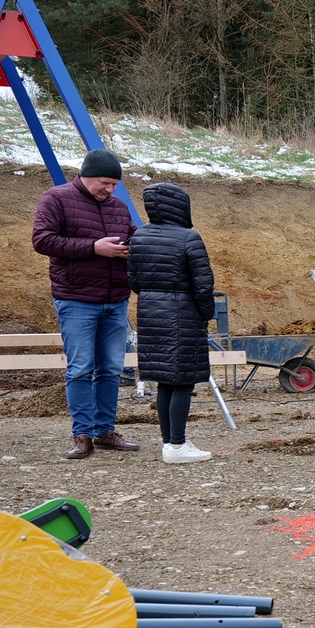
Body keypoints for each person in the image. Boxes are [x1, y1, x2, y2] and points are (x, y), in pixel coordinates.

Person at [31, 148, 136, 459]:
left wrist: (134, 247)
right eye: (105, 183)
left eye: (115, 184)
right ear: (86, 176)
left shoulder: (119, 207)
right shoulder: (56, 198)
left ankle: (104, 431)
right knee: (80, 369)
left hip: (116, 300)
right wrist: (94, 248)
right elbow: (42, 240)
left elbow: (134, 237)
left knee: (112, 368)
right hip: (76, 299)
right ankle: (82, 434)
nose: (111, 190)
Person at [128, 183, 218, 464]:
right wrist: (206, 314)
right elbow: (203, 286)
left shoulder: (138, 236)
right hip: (183, 315)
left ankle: (169, 442)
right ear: (180, 205)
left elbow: (133, 281)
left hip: (150, 314)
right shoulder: (189, 238)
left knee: (165, 380)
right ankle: (178, 446)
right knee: (183, 381)